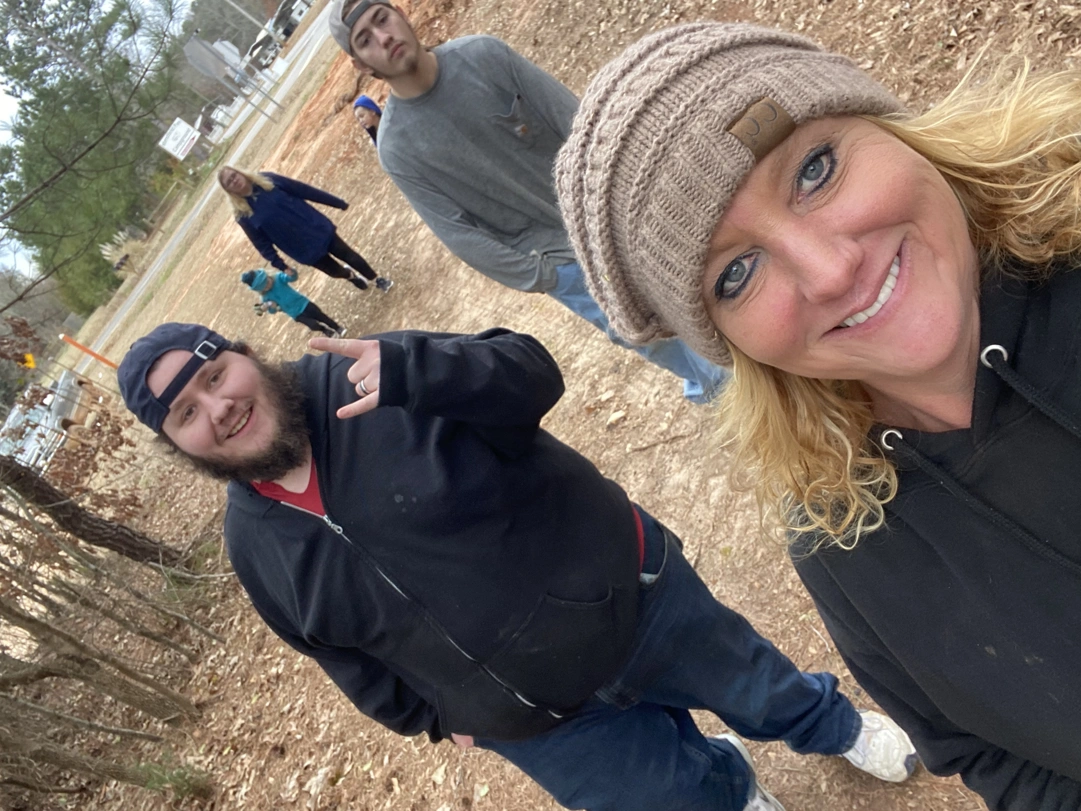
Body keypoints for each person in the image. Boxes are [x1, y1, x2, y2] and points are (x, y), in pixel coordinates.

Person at [556, 21, 1081, 811]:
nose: (831, 270)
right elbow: (983, 753)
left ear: (882, 122)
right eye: (736, 273)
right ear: (726, 341)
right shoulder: (839, 539)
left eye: (814, 169)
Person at [117, 322, 918, 811]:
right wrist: (439, 719)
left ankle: (837, 728)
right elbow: (340, 656)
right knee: (670, 798)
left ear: (246, 356)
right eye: (186, 412)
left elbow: (532, 374)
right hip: (538, 725)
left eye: (215, 376)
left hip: (634, 603)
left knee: (759, 689)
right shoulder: (253, 546)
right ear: (176, 444)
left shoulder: (374, 377)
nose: (219, 407)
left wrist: (425, 367)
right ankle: (730, 787)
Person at [326, 0, 726, 404]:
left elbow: (576, 121)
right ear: (362, 65)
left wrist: (616, 195)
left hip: (603, 209)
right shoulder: (397, 148)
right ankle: (718, 389)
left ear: (400, 12)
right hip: (556, 258)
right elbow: (458, 233)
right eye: (365, 40)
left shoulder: (483, 55)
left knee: (694, 290)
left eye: (382, 19)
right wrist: (546, 275)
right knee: (646, 335)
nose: (384, 37)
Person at [218, 166, 393, 292]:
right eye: (229, 182)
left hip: (317, 228)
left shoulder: (267, 180)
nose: (235, 180)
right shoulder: (242, 215)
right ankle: (350, 276)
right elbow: (261, 243)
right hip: (300, 248)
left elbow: (303, 190)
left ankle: (377, 279)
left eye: (234, 175)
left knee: (350, 255)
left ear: (240, 172)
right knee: (335, 271)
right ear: (228, 190)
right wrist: (280, 265)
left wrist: (336, 202)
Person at [242, 268, 347, 338]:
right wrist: (272, 307)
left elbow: (291, 278)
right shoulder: (265, 297)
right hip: (295, 314)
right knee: (313, 325)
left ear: (267, 275)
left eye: (267, 282)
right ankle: (324, 330)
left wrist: (292, 273)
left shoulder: (278, 278)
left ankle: (337, 327)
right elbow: (271, 310)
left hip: (304, 303)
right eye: (264, 288)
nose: (267, 286)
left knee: (322, 317)